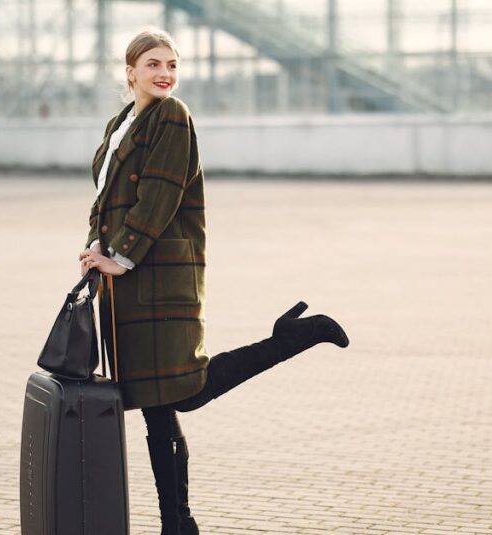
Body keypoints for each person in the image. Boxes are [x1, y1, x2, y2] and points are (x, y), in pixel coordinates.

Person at [77, 29, 350, 535]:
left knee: (184, 391)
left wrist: (123, 256)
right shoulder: (121, 125)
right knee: (155, 405)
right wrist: (97, 247)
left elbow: (159, 195)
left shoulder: (172, 117)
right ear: (130, 71)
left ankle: (291, 339)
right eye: (154, 63)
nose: (165, 74)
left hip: (159, 274)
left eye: (173, 65)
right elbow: (106, 200)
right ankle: (177, 525)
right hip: (127, 280)